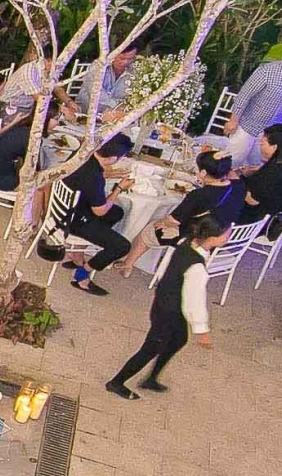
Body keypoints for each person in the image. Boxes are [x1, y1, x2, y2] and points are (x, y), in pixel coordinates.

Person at [107, 211, 224, 400]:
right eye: (226, 234)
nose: (228, 237)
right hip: (169, 311)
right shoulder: (197, 268)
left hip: (164, 303)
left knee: (179, 340)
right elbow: (194, 301)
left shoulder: (186, 242)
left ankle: (151, 378)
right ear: (212, 238)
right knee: (150, 348)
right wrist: (201, 330)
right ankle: (117, 382)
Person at [58, 133, 138, 295]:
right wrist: (119, 188)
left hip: (65, 208)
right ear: (112, 158)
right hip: (74, 219)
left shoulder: (83, 154)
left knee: (117, 212)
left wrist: (112, 174)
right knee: (121, 246)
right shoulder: (94, 178)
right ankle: (81, 276)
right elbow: (100, 211)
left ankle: (77, 253)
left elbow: (84, 176)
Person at [229, 126, 282, 229]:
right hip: (273, 212)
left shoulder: (275, 172)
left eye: (262, 143)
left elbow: (252, 201)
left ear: (274, 147)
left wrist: (235, 179)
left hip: (252, 220)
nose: (260, 147)